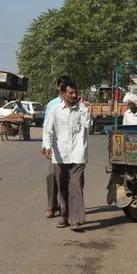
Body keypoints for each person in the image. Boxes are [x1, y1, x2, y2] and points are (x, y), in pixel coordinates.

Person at [43, 79, 92, 232]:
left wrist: (83, 106)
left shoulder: (82, 109)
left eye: (75, 92)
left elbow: (89, 125)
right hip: (60, 155)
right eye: (71, 93)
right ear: (63, 94)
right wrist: (48, 146)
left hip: (78, 154)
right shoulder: (55, 110)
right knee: (62, 188)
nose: (74, 95)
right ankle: (64, 216)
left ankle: (76, 220)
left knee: (76, 186)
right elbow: (48, 130)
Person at [41, 75, 71, 218]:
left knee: (67, 178)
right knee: (52, 176)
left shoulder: (74, 103)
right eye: (61, 85)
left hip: (70, 148)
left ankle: (64, 206)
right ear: (58, 87)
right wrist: (45, 145)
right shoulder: (52, 104)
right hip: (55, 147)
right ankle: (51, 206)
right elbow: (47, 127)